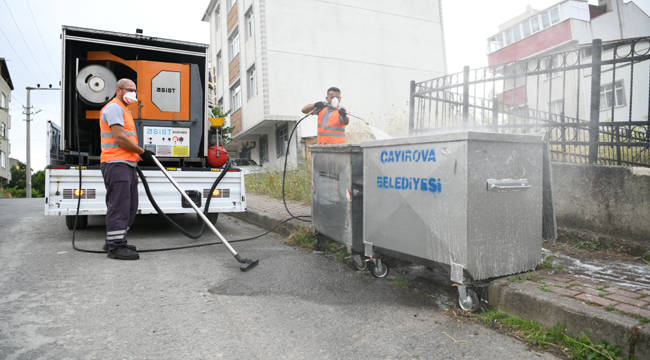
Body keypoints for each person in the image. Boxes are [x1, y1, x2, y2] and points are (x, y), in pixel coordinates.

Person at [99, 78, 154, 260]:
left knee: (130, 207)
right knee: (119, 206)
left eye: (134, 90)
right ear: (119, 90)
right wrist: (143, 152)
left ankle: (115, 239)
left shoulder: (125, 110)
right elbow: (121, 138)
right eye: (129, 89)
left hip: (127, 164)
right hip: (116, 163)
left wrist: (137, 156)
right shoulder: (114, 107)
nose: (132, 93)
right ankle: (115, 248)